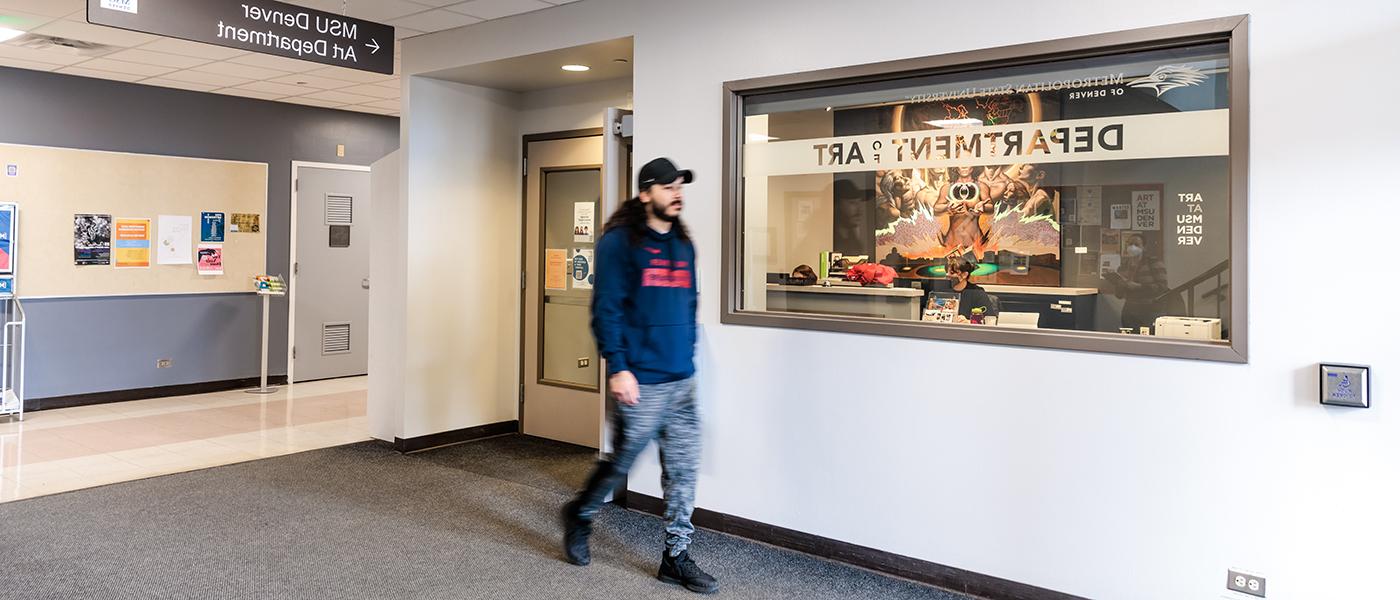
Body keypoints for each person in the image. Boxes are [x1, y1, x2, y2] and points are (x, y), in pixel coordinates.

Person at [561, 157, 719, 595]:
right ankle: (581, 513)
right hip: (640, 379)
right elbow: (605, 309)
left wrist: (687, 358)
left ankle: (676, 556)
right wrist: (619, 367)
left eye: (680, 187)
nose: (677, 194)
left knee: (684, 471)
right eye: (668, 187)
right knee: (624, 461)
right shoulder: (619, 243)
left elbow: (688, 304)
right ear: (646, 192)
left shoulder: (683, 245)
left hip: (682, 378)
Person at [1104, 233, 1183, 331]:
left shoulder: (1153, 262)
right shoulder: (1123, 266)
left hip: (1151, 310)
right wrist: (1119, 284)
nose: (1132, 247)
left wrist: (1138, 286)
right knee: (1130, 338)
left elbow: (1162, 287)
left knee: (1150, 339)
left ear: (1144, 247)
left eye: (1137, 244)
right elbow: (1119, 295)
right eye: (1130, 244)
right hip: (1130, 310)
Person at [930, 257, 999, 323]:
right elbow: (933, 314)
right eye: (947, 272)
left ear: (964, 275)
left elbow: (990, 320)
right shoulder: (942, 291)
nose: (947, 275)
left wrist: (968, 322)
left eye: (952, 272)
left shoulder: (977, 292)